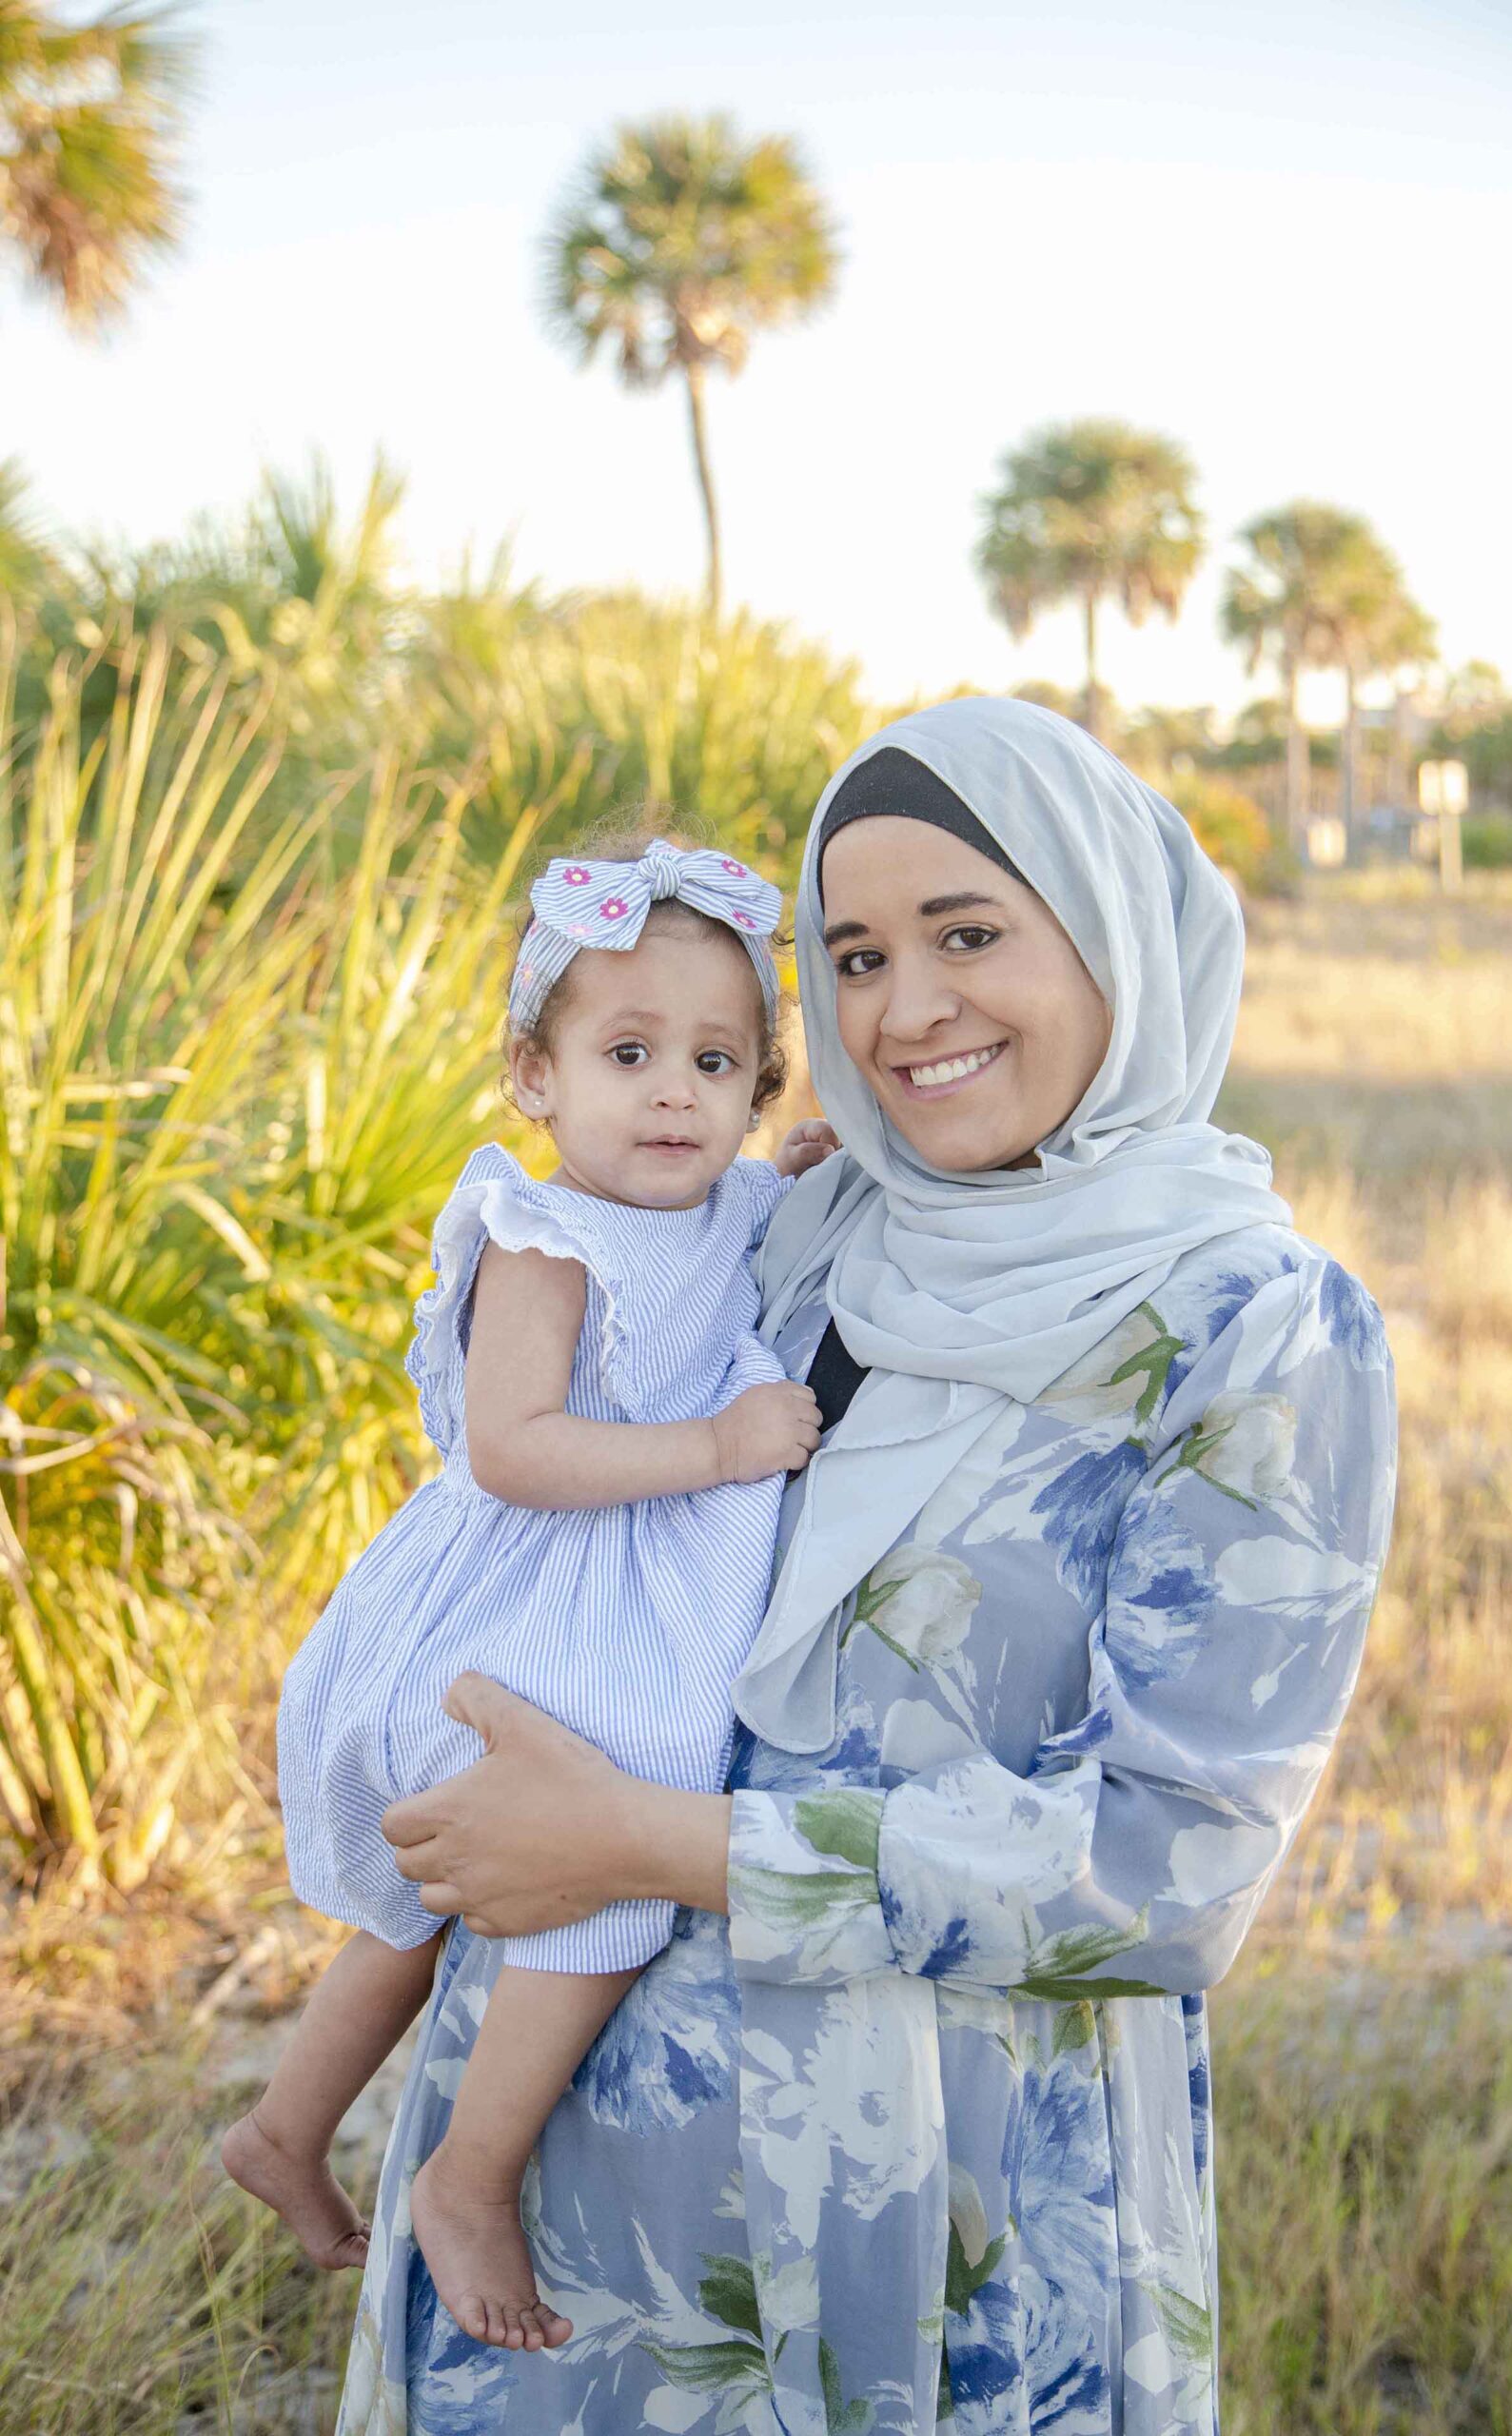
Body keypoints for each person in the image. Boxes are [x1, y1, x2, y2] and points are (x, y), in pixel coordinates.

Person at [336, 697, 1399, 2436]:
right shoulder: (810, 1222)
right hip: (569, 2193)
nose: (906, 1013)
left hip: (934, 2215)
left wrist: (642, 1842)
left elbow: (1166, 1868)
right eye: (853, 956)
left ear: (1113, 935)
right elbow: (541, 1472)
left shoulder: (1254, 1328)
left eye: (969, 935)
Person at [224, 831, 836, 2353]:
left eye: (716, 1057)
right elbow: (511, 1448)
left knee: (433, 1896)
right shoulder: (546, 1237)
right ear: (535, 1076)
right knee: (605, 1858)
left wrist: (812, 1178)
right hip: (531, 1596)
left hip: (626, 1586)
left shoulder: (728, 1205)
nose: (676, 1091)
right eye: (630, 1051)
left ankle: (283, 2130)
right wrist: (714, 1445)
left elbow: (767, 1229)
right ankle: (468, 2175)